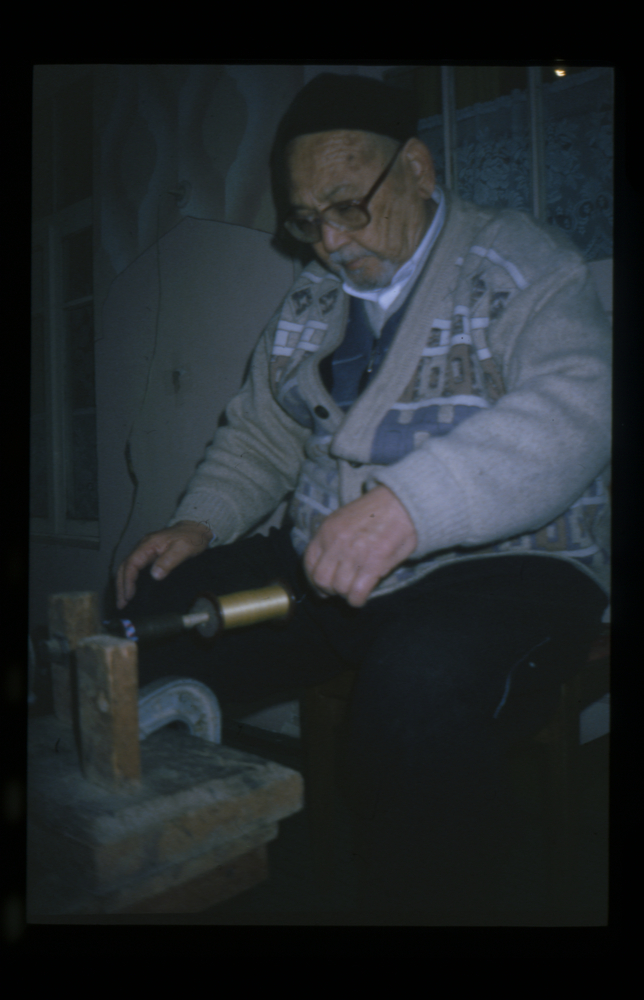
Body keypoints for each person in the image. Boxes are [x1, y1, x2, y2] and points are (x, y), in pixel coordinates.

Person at [114, 74, 610, 919]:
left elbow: (583, 402)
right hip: (330, 567)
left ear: (415, 167)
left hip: (506, 570)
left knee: (416, 688)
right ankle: (170, 855)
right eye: (308, 221)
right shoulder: (312, 300)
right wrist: (199, 519)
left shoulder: (521, 257)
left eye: (348, 206)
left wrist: (415, 503)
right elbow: (262, 433)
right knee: (146, 606)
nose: (331, 244)